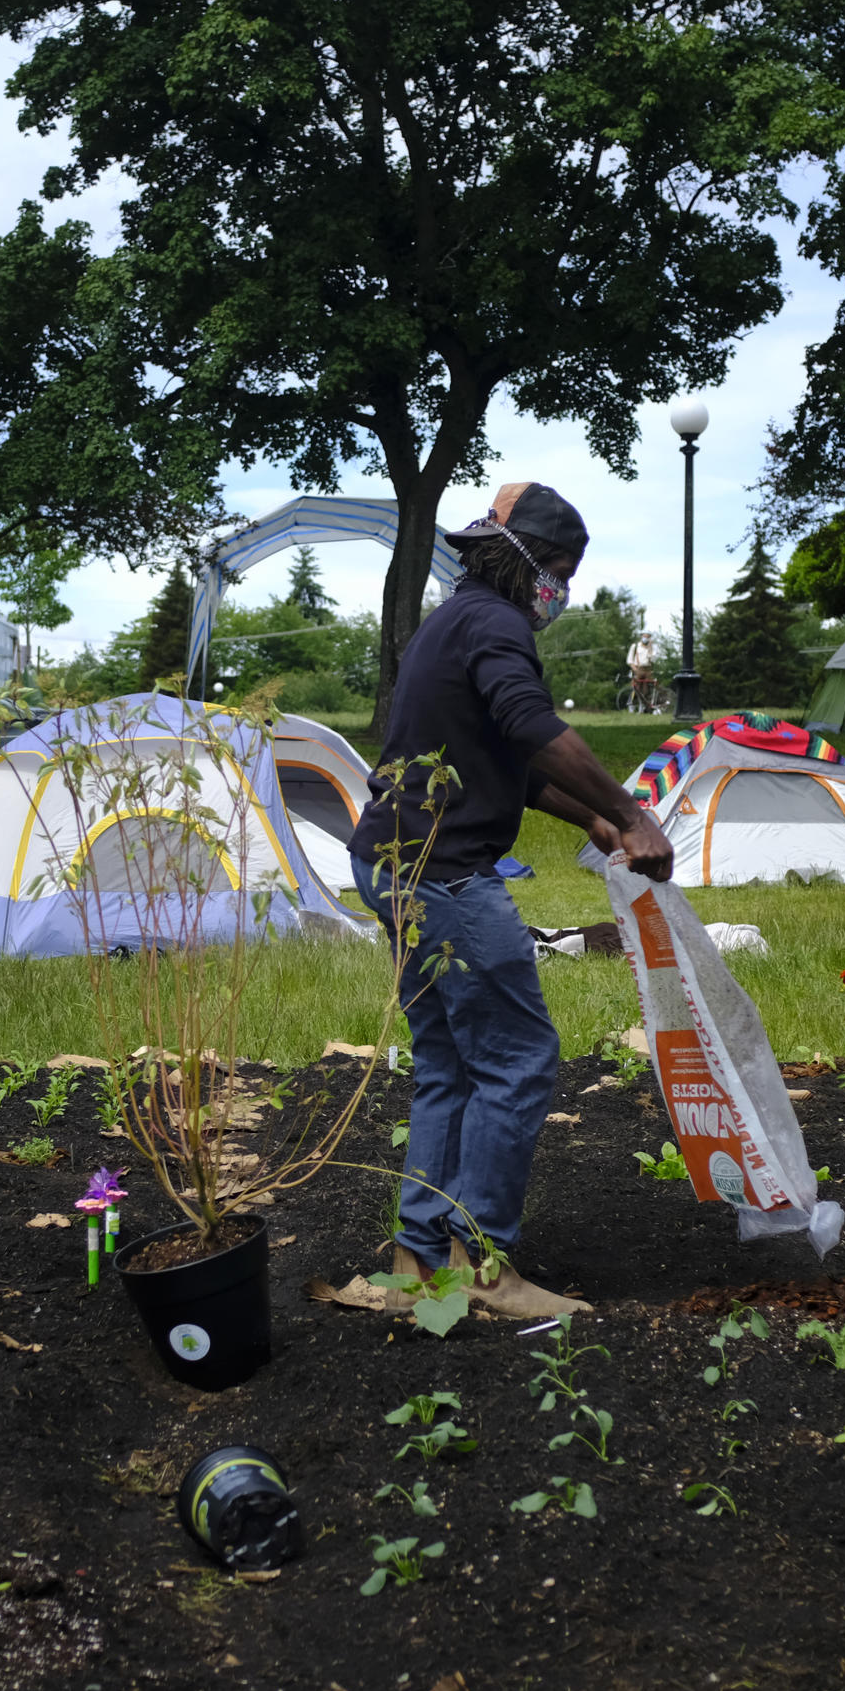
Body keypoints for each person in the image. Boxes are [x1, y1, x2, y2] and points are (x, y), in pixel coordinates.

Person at [348, 481, 675, 1320]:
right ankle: (485, 1269)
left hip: (392, 861)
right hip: (446, 870)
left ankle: (419, 1265)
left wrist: (595, 817)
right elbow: (531, 723)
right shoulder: (496, 625)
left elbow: (511, 765)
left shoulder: (454, 622)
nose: (561, 590)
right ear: (530, 561)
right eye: (561, 569)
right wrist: (636, 815)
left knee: (451, 1066)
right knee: (519, 1057)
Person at [625, 630, 659, 712]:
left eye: (647, 637)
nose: (645, 638)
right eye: (644, 636)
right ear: (641, 636)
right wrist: (635, 669)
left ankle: (645, 707)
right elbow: (629, 660)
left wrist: (650, 648)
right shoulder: (635, 646)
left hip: (648, 669)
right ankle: (632, 705)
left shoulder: (653, 648)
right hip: (638, 668)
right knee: (636, 688)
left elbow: (653, 659)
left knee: (646, 689)